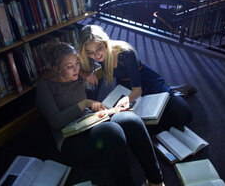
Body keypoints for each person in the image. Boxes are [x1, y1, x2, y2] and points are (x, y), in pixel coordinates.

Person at [36, 42, 165, 186]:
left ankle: (156, 182)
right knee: (112, 131)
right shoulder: (44, 87)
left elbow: (95, 59)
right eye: (69, 66)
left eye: (77, 63)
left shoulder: (78, 74)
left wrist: (84, 73)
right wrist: (84, 103)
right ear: (56, 69)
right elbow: (56, 121)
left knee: (131, 120)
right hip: (69, 139)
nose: (75, 69)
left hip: (88, 123)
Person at [78, 25, 195, 132]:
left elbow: (137, 90)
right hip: (125, 85)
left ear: (105, 42)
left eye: (99, 48)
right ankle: (166, 103)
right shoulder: (92, 55)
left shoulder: (126, 52)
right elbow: (75, 68)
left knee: (184, 116)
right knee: (143, 124)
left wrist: (127, 99)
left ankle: (176, 92)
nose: (96, 55)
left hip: (145, 80)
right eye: (90, 53)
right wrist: (85, 74)